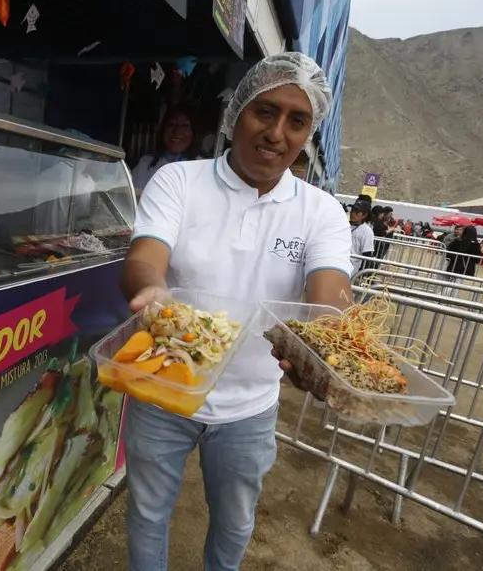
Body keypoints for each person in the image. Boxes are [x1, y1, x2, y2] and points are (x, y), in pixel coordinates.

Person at [119, 52, 352, 571]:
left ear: (309, 132)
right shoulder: (180, 182)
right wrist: (151, 292)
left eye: (298, 121)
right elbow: (143, 259)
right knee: (148, 511)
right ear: (236, 114)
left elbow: (330, 293)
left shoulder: (321, 211)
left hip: (251, 405)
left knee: (234, 521)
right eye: (264, 111)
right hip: (164, 387)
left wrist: (327, 344)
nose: (277, 133)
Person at [130, 106, 196, 196]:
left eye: (185, 126)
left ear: (194, 132)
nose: (177, 131)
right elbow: (131, 197)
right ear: (163, 129)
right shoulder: (146, 163)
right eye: (172, 124)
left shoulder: (200, 166)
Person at [348, 197, 375, 276]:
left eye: (357, 212)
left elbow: (367, 255)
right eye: (352, 210)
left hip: (351, 271)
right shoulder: (344, 224)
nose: (352, 213)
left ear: (365, 215)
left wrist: (360, 275)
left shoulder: (367, 231)